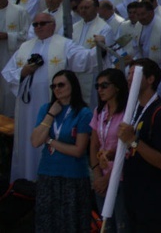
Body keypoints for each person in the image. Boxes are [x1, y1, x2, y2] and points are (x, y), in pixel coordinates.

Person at [2, 12, 100, 181]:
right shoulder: (25, 47)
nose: (39, 27)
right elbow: (7, 72)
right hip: (27, 107)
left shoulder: (64, 45)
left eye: (43, 23)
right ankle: (25, 181)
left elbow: (84, 59)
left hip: (53, 105)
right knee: (27, 142)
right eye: (35, 24)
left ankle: (45, 181)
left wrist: (98, 48)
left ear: (53, 25)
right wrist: (23, 72)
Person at [118, 59, 161, 232]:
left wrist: (133, 141)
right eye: (128, 75)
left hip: (152, 192)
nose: (129, 79)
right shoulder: (134, 108)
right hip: (133, 187)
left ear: (151, 79)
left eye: (134, 75)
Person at [30, 70, 93, 232]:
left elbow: (79, 150)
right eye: (54, 86)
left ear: (73, 86)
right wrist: (51, 115)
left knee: (71, 223)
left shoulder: (83, 113)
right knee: (47, 223)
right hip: (48, 174)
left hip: (73, 176)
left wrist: (50, 141)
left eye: (61, 85)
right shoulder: (46, 109)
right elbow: (36, 141)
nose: (57, 89)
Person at [90, 68, 129, 232]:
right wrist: (98, 175)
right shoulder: (99, 111)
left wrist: (108, 180)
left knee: (122, 226)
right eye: (97, 86)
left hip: (121, 177)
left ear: (117, 87)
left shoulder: (127, 112)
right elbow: (93, 145)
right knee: (106, 227)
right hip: (102, 177)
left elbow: (127, 149)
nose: (100, 90)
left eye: (104, 85)